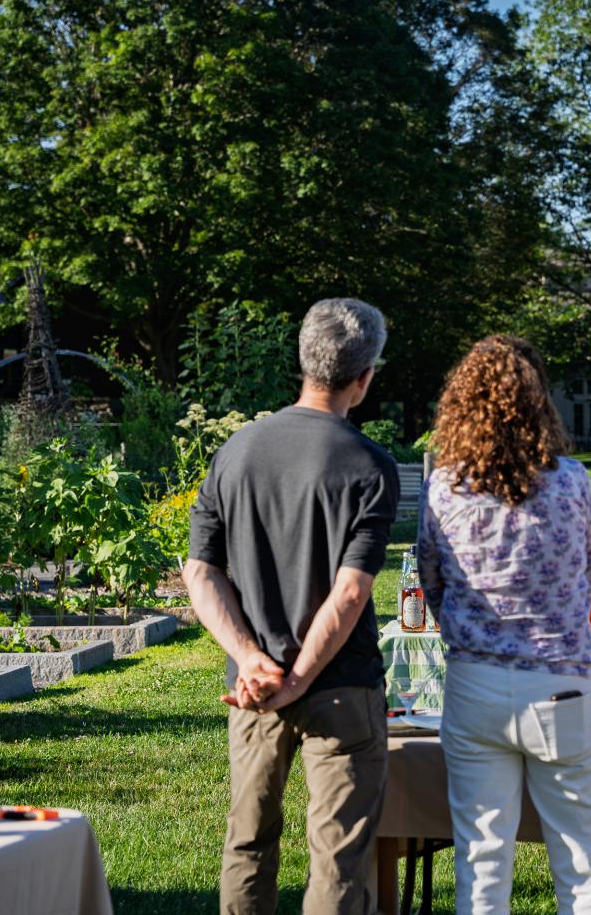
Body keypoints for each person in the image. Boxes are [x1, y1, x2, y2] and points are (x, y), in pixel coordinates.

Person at [184, 298, 399, 915]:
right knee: (338, 860)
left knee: (247, 844)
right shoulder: (370, 465)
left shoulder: (237, 452)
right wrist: (299, 677)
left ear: (304, 361)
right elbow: (351, 592)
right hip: (340, 688)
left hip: (251, 687)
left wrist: (253, 660)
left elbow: (200, 571)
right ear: (364, 378)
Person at [419, 335, 591, 915]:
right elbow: (588, 574)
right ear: (539, 403)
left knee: (481, 869)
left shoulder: (444, 489)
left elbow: (432, 586)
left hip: (476, 684)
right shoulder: (572, 480)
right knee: (585, 870)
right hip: (561, 683)